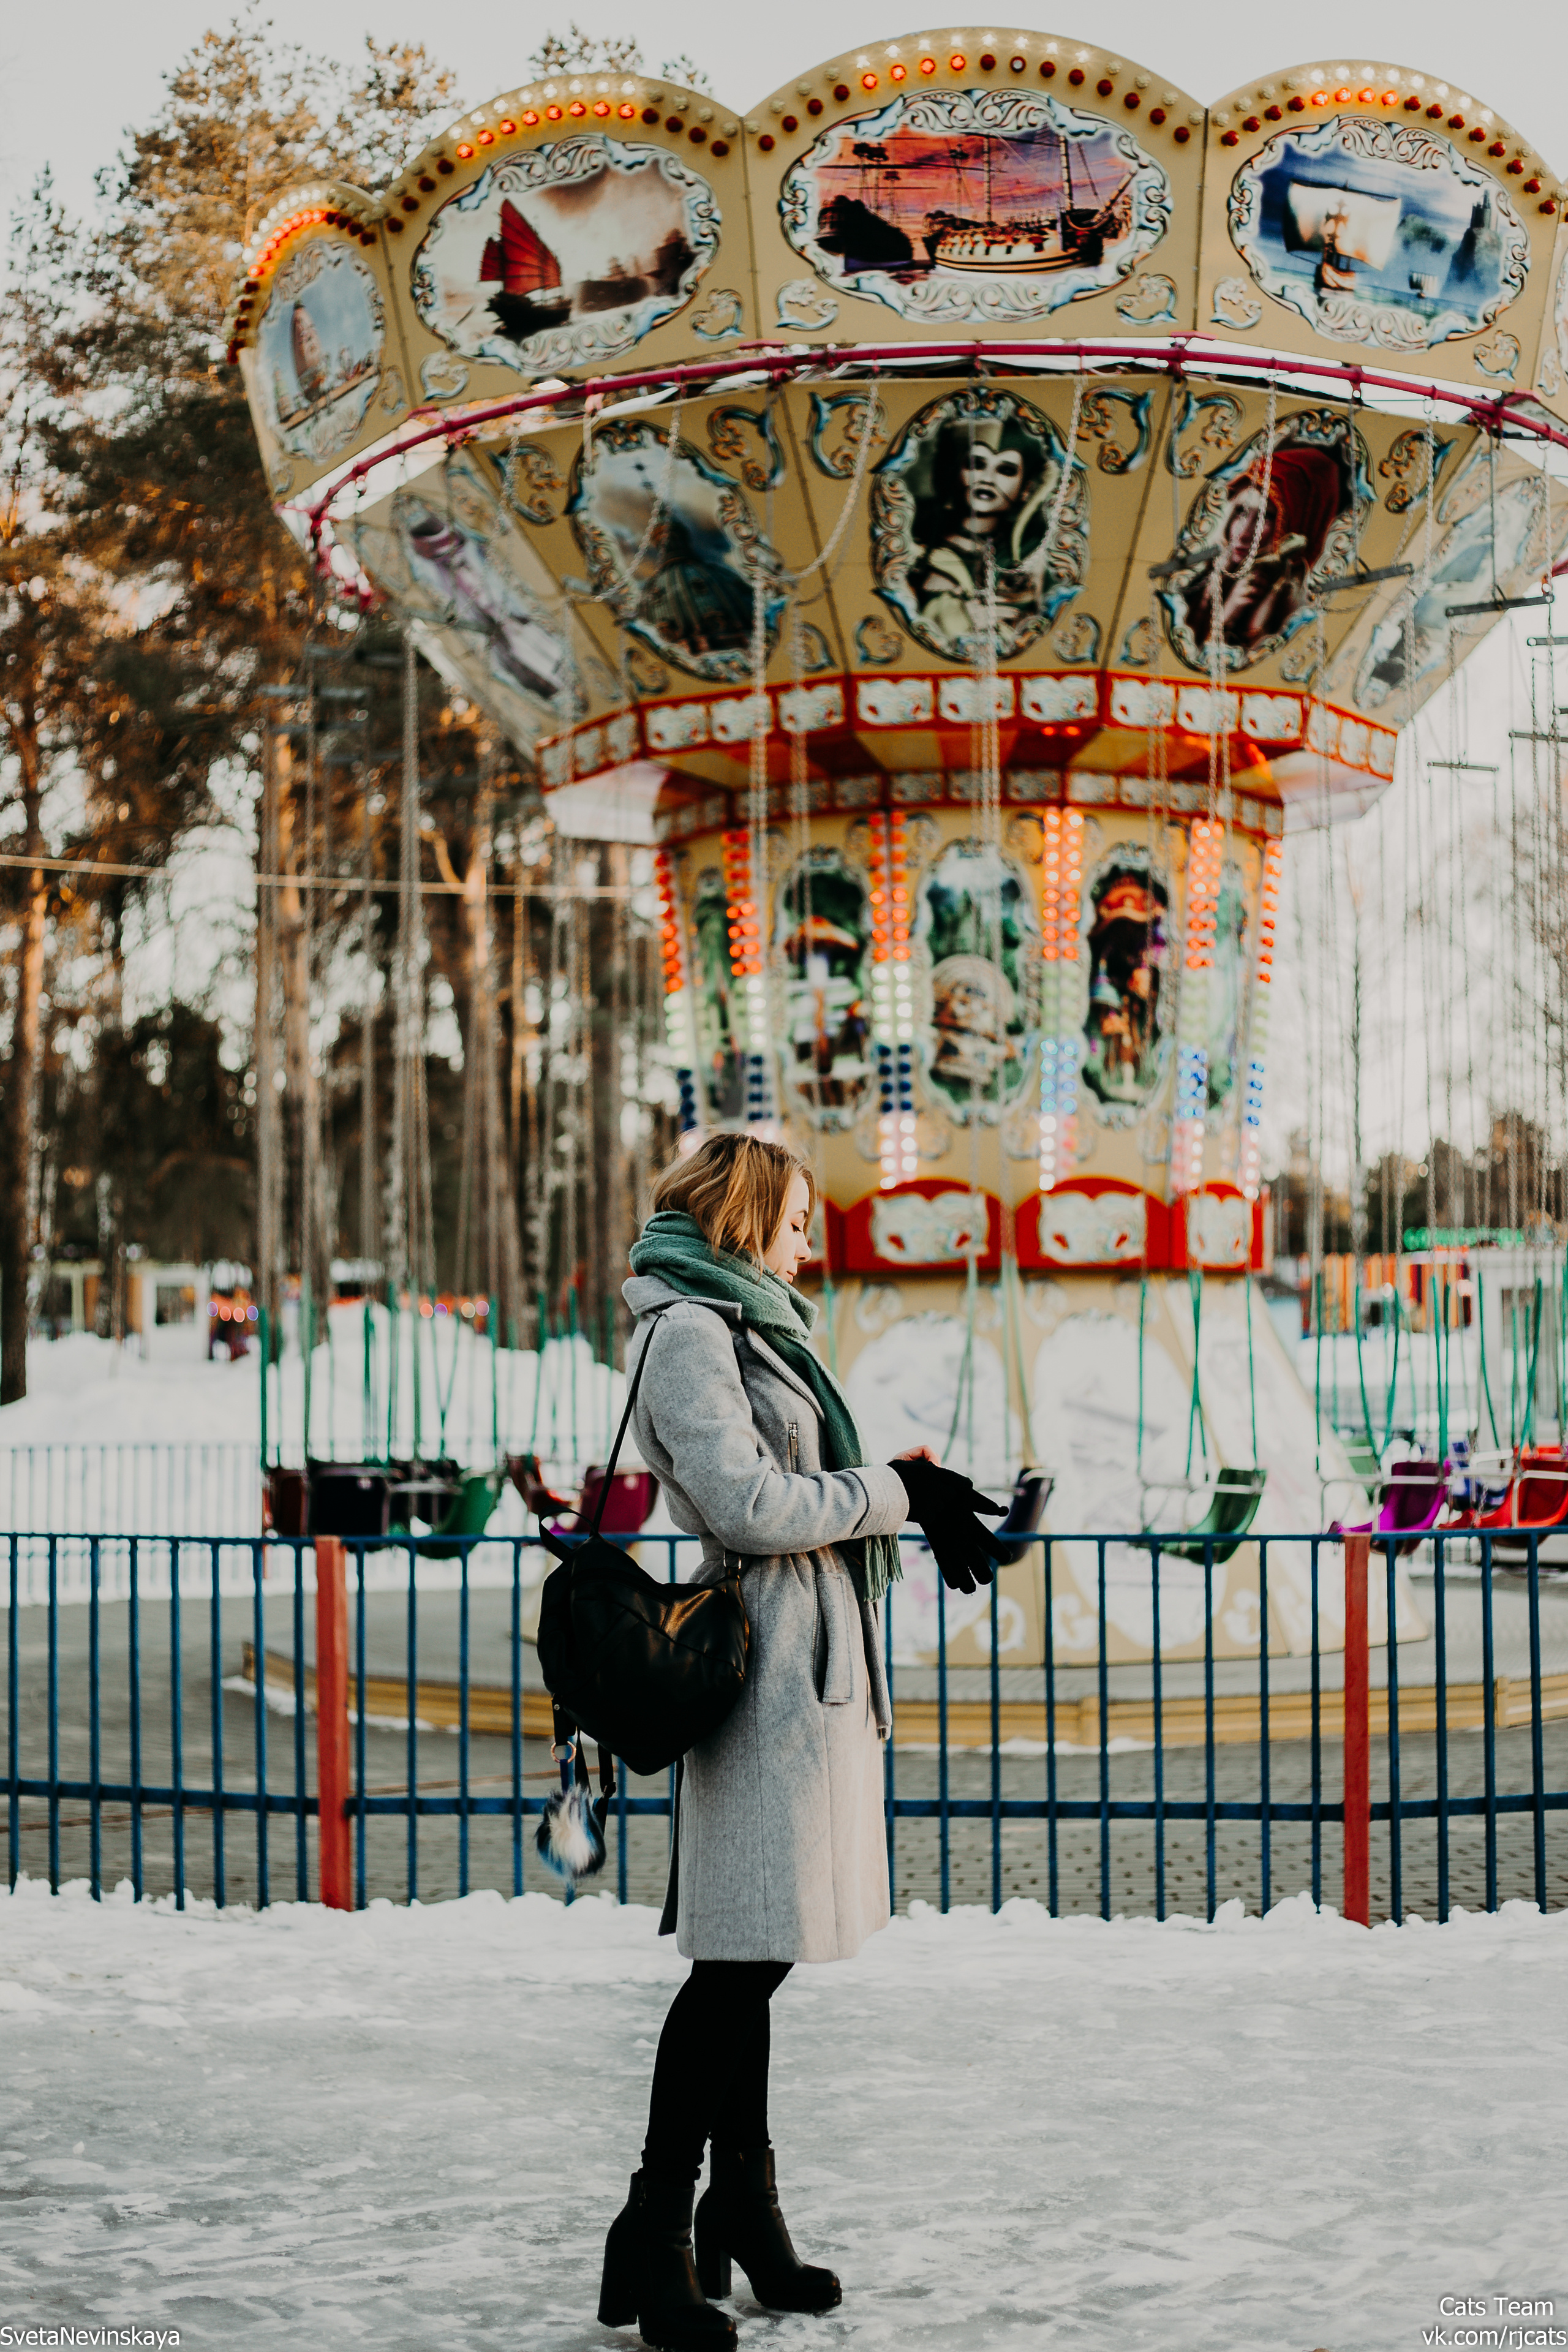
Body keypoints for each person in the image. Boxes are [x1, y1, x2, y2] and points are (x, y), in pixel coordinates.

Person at [598, 1133, 1002, 2352]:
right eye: (790, 1217)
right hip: (758, 1669)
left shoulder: (750, 1323)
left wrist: (906, 1487)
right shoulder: (686, 1332)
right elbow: (744, 1502)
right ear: (741, 1215)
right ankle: (656, 2225)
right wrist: (891, 1490)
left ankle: (744, 2214)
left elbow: (798, 1483)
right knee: (735, 1966)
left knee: (757, 1950)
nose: (805, 1237)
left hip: (806, 1667)